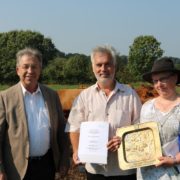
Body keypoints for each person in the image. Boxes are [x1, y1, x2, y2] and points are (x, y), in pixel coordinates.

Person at [65, 45, 142, 180]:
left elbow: (140, 127)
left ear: (115, 66)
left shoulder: (130, 95)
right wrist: (77, 150)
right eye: (99, 65)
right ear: (92, 67)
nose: (103, 69)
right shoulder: (84, 96)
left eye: (108, 64)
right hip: (95, 170)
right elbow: (74, 127)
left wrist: (123, 139)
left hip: (124, 170)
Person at [0, 48, 69, 180]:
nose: (30, 71)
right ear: (17, 70)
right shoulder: (4, 98)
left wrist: (65, 159)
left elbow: (61, 129)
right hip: (16, 169)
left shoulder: (52, 95)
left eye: (34, 67)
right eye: (25, 67)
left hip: (46, 166)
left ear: (40, 70)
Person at [137, 57, 180, 180]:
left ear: (175, 77)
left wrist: (175, 160)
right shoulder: (146, 107)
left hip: (174, 173)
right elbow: (140, 137)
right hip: (146, 175)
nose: (158, 85)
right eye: (155, 81)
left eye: (163, 79)